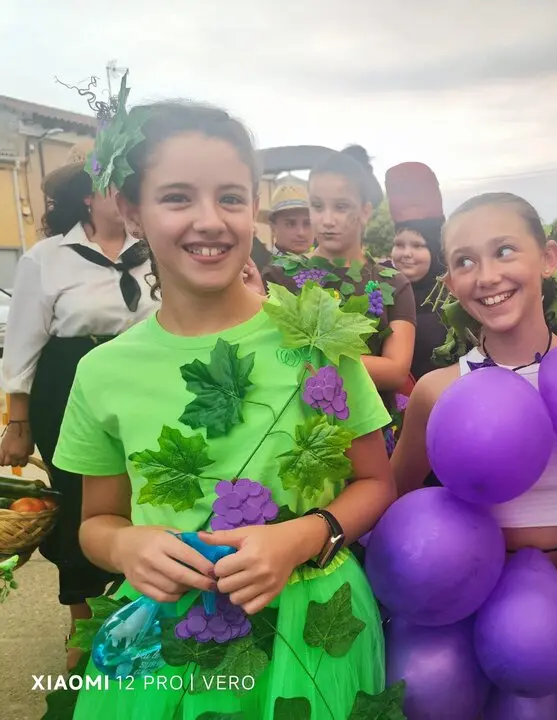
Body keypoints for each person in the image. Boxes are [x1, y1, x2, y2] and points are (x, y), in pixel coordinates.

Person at [53, 92, 396, 719]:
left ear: (255, 208)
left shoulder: (315, 340)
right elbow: (96, 523)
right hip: (168, 632)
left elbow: (375, 481)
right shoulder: (102, 372)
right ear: (131, 211)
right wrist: (127, 548)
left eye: (231, 197)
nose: (209, 220)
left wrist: (301, 536)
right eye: (177, 197)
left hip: (312, 623)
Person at [0, 138, 157, 669]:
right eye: (111, 186)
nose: (122, 196)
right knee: (80, 502)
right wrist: (17, 422)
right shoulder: (47, 258)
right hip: (68, 385)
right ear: (88, 198)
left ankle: (143, 610)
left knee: (146, 493)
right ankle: (83, 626)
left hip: (146, 382)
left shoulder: (156, 248)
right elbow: (23, 342)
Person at [392, 192, 557, 568]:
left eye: (505, 251)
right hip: (472, 604)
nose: (488, 277)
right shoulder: (438, 391)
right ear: (450, 282)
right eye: (465, 261)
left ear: (549, 259)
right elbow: (394, 497)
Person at [262, 146, 416, 412]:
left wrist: (304, 358)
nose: (327, 220)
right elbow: (266, 361)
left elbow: (395, 372)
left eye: (341, 207)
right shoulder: (278, 277)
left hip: (373, 432)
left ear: (365, 211)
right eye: (318, 206)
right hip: (300, 434)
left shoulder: (392, 283)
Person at [386, 162, 447, 380]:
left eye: (418, 245)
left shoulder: (457, 290)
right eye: (399, 244)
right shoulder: (380, 288)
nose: (406, 253)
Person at [258, 178, 314, 257]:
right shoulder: (258, 267)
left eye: (307, 223)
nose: (301, 232)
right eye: (290, 224)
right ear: (273, 228)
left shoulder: (323, 265)